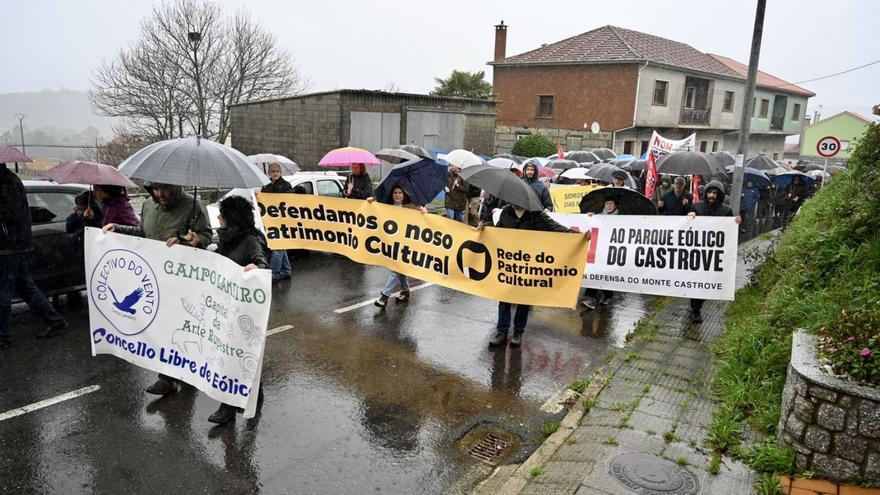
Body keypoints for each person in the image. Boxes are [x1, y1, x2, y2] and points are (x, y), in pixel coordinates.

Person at [103, 182, 212, 395]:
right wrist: (118, 228)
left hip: (182, 280)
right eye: (155, 189)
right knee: (161, 328)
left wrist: (192, 240)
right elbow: (142, 233)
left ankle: (176, 374)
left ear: (176, 186)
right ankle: (170, 375)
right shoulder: (147, 205)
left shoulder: (194, 205)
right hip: (153, 278)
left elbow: (206, 236)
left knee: (177, 327)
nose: (159, 194)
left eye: (164, 189)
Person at [483, 204, 584, 347]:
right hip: (509, 263)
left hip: (528, 264)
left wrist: (579, 236)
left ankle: (518, 332)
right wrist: (485, 227)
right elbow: (497, 230)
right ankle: (501, 332)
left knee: (523, 299)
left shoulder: (535, 214)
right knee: (504, 298)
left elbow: (555, 227)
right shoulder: (507, 211)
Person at [208, 195, 270, 425]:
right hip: (226, 306)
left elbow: (262, 262)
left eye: (222, 215)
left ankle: (228, 407)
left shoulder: (251, 240)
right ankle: (255, 391)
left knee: (234, 356)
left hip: (245, 310)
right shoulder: (227, 238)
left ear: (232, 219)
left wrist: (256, 267)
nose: (218, 218)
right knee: (234, 354)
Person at [0, 163, 68, 348]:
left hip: (9, 245)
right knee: (25, 286)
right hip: (13, 243)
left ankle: (3, 337)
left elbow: (11, 213)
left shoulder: (7, 182)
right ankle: (55, 321)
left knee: (4, 292)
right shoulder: (8, 179)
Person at [687, 180, 741, 323]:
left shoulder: (726, 211)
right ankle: (695, 309)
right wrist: (690, 216)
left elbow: (731, 232)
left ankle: (698, 305)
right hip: (697, 252)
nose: (712, 196)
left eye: (715, 193)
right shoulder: (697, 207)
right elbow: (687, 227)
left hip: (714, 255)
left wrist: (736, 223)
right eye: (710, 192)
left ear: (720, 195)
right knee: (697, 280)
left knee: (707, 281)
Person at [369, 185, 427, 307]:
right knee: (400, 268)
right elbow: (375, 210)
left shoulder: (410, 207)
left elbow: (422, 220)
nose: (398, 195)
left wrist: (423, 212)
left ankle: (385, 296)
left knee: (396, 268)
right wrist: (372, 202)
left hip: (405, 244)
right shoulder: (387, 207)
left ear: (404, 195)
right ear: (392, 195)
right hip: (392, 242)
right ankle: (405, 291)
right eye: (395, 192)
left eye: (400, 192)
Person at [581, 197, 618, 309]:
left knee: (604, 273)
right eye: (607, 203)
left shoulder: (621, 218)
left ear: (615, 205)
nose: (609, 206)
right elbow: (588, 225)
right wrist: (589, 217)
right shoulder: (598, 216)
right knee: (596, 271)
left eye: (611, 203)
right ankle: (590, 298)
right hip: (598, 249)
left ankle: (607, 295)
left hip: (611, 250)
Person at [260, 163, 293, 281]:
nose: (275, 173)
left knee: (277, 245)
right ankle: (286, 270)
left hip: (282, 221)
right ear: (269, 173)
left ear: (281, 172)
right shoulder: (265, 185)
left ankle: (274, 273)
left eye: (277, 171)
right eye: (273, 171)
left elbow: (290, 202)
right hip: (269, 221)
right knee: (280, 245)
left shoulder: (286, 186)